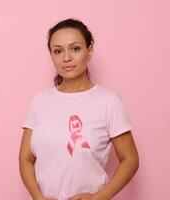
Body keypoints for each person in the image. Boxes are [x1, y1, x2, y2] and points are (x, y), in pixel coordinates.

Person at [18, 18, 139, 200]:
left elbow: (130, 159)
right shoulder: (39, 101)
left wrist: (99, 197)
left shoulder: (108, 101)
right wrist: (38, 197)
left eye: (75, 49)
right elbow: (25, 158)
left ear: (89, 51)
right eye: (58, 51)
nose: (66, 58)